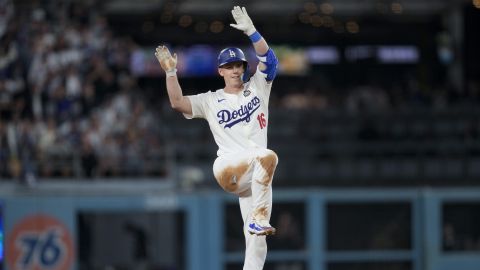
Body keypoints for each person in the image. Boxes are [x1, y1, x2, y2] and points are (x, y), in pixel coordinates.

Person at [155, 6, 279, 270]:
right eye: (229, 66)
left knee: (258, 242)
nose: (235, 70)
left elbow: (270, 60)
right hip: (228, 168)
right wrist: (170, 73)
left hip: (254, 177)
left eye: (239, 65)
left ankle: (256, 229)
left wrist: (253, 32)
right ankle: (258, 218)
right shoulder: (211, 100)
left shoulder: (259, 87)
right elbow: (177, 103)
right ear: (220, 71)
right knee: (267, 156)